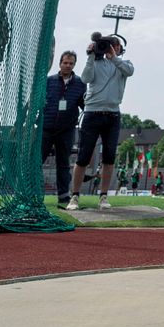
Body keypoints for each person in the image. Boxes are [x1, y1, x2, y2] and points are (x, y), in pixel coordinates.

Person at [66, 32, 134, 212]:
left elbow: (130, 72)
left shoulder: (123, 64)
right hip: (92, 114)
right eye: (109, 45)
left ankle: (103, 196)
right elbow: (85, 79)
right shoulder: (95, 63)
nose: (112, 48)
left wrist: (114, 58)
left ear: (120, 48)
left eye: (115, 45)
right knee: (83, 157)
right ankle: (75, 196)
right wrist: (90, 56)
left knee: (109, 157)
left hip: (112, 115)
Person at [43, 51, 86, 197]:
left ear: (74, 65)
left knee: (63, 163)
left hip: (67, 129)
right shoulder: (49, 81)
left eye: (71, 63)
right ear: (60, 63)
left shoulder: (80, 84)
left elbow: (84, 105)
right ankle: (33, 192)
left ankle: (63, 194)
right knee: (37, 160)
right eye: (65, 63)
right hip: (46, 127)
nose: (67, 66)